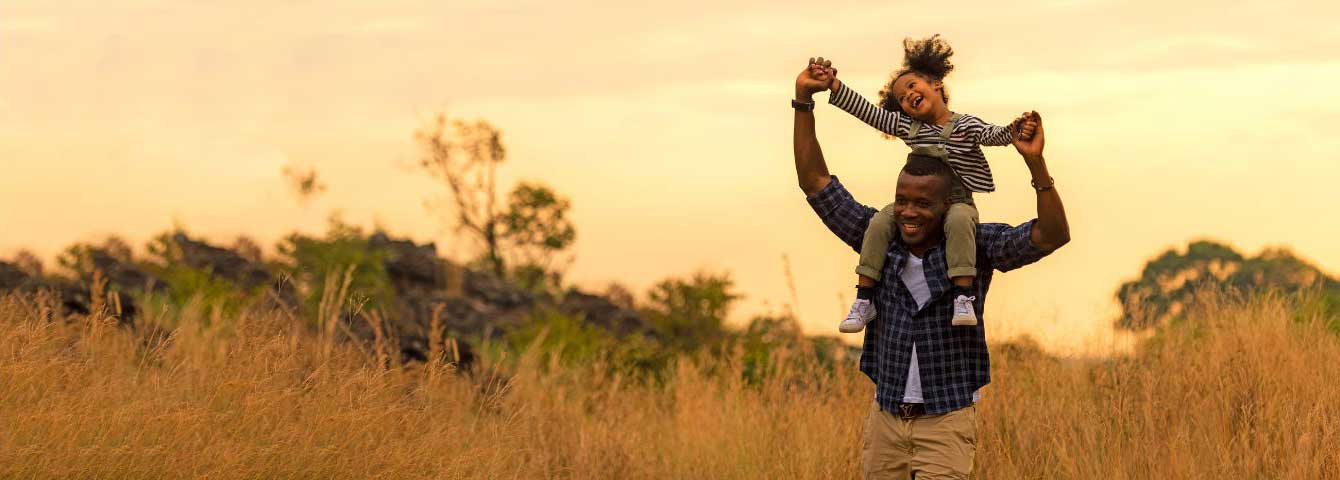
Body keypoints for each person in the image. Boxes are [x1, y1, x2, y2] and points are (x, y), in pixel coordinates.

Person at [792, 58, 1070, 479]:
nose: (908, 212)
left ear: (947, 206)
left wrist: (1036, 165)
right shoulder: (878, 237)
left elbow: (1050, 236)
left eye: (922, 204)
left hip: (947, 422)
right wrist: (804, 101)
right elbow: (816, 182)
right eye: (902, 200)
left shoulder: (973, 243)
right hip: (885, 421)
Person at [813, 35, 1028, 333]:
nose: (907, 95)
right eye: (901, 97)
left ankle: (963, 295)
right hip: (917, 204)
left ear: (936, 83)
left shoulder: (966, 125)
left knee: (962, 221)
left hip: (956, 201)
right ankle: (864, 298)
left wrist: (1014, 130)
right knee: (878, 223)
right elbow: (869, 113)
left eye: (912, 86)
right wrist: (834, 86)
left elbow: (994, 135)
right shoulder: (908, 128)